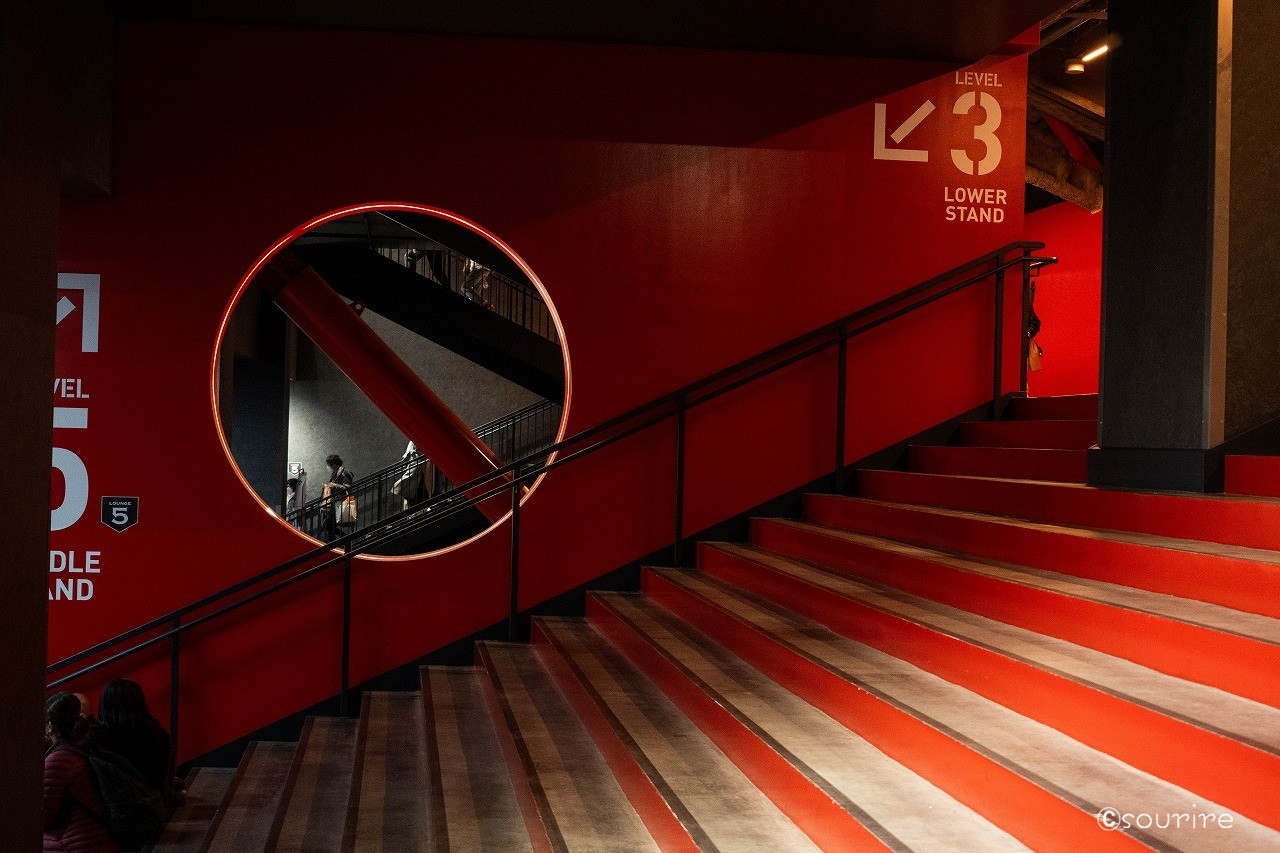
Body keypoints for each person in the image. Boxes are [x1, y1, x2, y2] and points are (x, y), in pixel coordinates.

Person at [44, 692, 120, 853]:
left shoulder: (58, 761)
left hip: (79, 843)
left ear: (50, 726)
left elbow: (42, 817)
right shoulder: (85, 745)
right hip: (102, 837)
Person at [91, 679, 179, 807]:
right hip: (155, 803)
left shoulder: (101, 740)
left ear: (105, 706)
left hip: (122, 811)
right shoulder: (158, 734)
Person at [323, 454, 355, 540]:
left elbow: (347, 488)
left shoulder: (344, 473)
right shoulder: (334, 474)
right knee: (329, 525)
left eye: (329, 465)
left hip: (340, 502)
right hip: (334, 503)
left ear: (334, 465)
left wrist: (334, 485)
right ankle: (343, 541)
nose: (328, 467)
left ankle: (345, 540)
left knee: (328, 525)